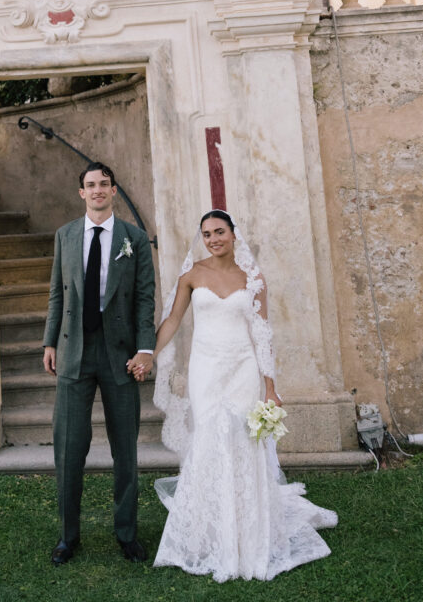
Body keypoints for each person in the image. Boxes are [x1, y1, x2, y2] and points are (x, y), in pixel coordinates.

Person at [140, 209, 337, 582]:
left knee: (243, 442)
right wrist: (148, 354)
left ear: (233, 234)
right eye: (207, 234)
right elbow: (172, 321)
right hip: (206, 370)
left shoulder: (254, 278)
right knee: (211, 438)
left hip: (243, 368)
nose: (213, 239)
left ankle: (248, 531)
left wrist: (270, 387)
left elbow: (262, 334)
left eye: (219, 232)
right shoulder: (192, 274)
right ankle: (209, 531)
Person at [42, 162, 156, 566]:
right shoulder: (66, 235)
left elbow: (145, 299)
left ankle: (127, 533)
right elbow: (57, 292)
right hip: (74, 351)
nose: (97, 191)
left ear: (113, 190)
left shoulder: (135, 239)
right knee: (69, 449)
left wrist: (146, 348)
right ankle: (67, 537)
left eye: (104, 184)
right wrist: (50, 341)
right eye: (90, 185)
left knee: (125, 448)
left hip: (120, 354)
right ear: (81, 193)